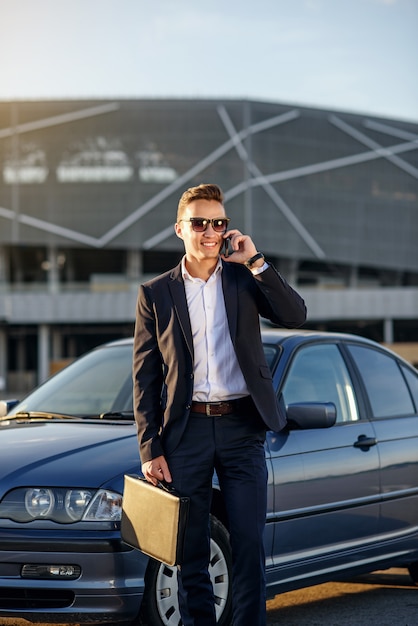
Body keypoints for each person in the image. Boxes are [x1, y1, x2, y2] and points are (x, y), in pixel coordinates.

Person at [133, 183, 306, 626]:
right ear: (179, 229)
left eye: (219, 223)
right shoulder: (155, 294)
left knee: (247, 542)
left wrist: (255, 259)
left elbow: (294, 315)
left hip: (242, 428)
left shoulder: (245, 278)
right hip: (185, 432)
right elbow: (146, 378)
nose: (210, 231)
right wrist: (150, 448)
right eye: (200, 222)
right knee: (190, 548)